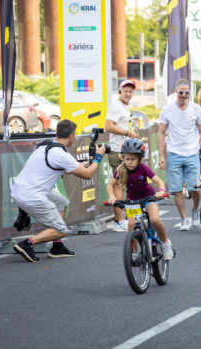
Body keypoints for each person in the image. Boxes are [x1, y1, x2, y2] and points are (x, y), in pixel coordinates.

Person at [12, 120, 105, 262]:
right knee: (62, 230)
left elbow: (68, 169)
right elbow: (87, 175)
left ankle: (57, 247)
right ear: (72, 135)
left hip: (19, 192)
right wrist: (98, 157)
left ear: (57, 133)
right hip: (32, 197)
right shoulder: (61, 155)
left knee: (61, 203)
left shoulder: (47, 144)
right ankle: (27, 244)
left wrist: (87, 163)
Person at [158, 79, 201, 231]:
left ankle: (195, 210)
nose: (183, 95)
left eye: (186, 93)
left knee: (195, 188)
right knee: (176, 190)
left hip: (192, 153)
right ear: (176, 92)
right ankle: (183, 219)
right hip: (174, 153)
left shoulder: (196, 109)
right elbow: (161, 132)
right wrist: (162, 155)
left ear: (189, 93)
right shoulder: (167, 109)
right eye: (181, 92)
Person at [107, 138, 173, 259]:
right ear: (123, 158)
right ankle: (134, 251)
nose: (129, 162)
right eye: (127, 159)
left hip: (149, 197)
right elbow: (110, 185)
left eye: (133, 159)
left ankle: (165, 243)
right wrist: (112, 197)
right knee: (131, 224)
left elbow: (158, 181)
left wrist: (161, 191)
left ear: (139, 159)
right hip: (132, 200)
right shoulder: (120, 169)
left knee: (155, 220)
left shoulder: (143, 168)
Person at [105, 79, 140, 232]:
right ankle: (119, 221)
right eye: (125, 90)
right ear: (120, 91)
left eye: (131, 91)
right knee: (119, 185)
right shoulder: (115, 106)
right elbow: (108, 126)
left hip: (125, 151)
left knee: (123, 185)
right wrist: (128, 133)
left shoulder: (125, 106)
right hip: (117, 152)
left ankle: (122, 219)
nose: (128, 93)